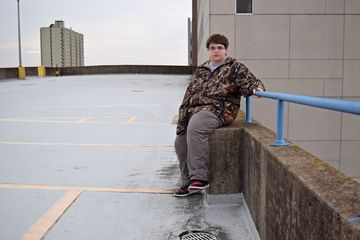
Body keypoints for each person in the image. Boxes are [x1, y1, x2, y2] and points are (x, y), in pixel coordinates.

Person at [174, 33, 265, 197]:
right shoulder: (201, 70)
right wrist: (182, 118)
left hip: (221, 109)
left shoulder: (234, 67)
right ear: (208, 51)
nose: (216, 51)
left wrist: (257, 87)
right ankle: (188, 181)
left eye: (220, 48)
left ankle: (199, 179)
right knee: (180, 139)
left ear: (225, 50)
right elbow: (189, 94)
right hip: (196, 109)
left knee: (196, 126)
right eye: (213, 48)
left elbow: (251, 81)